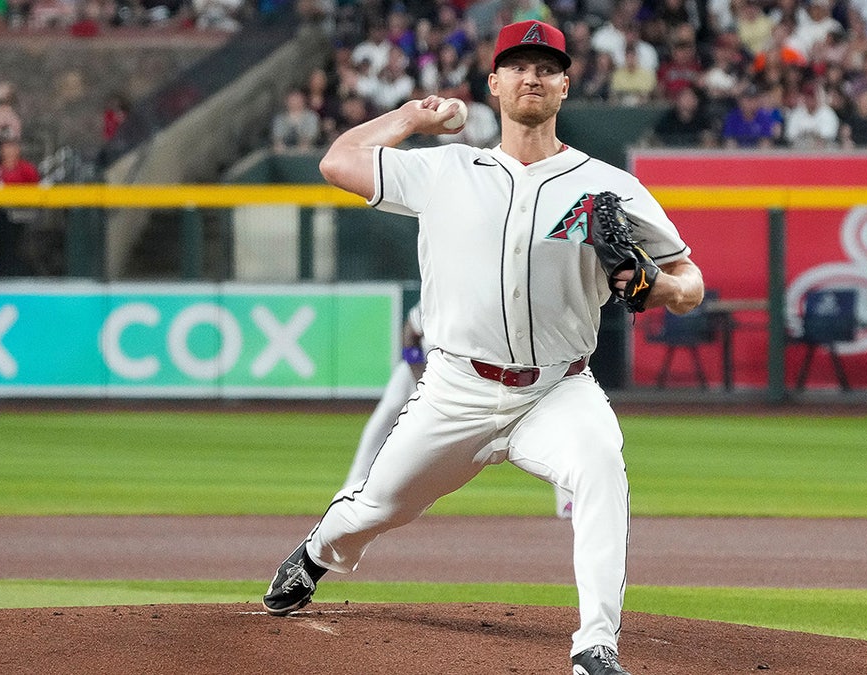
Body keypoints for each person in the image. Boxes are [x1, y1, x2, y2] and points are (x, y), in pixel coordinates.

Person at [261, 20, 704, 675]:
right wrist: (410, 117)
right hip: (455, 388)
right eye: (519, 66)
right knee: (377, 506)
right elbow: (337, 162)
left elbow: (691, 282)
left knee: (601, 463)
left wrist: (660, 283)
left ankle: (596, 645)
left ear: (565, 84)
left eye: (547, 67)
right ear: (493, 83)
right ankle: (320, 553)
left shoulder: (606, 186)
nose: (533, 77)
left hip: (558, 387)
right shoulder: (445, 169)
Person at [344, 303, 575, 517]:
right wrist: (419, 376)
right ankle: (352, 487)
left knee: (545, 419)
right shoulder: (438, 298)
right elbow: (410, 334)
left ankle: (568, 498)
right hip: (421, 368)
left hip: (468, 375)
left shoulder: (496, 308)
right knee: (385, 415)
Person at [0, 136, 40, 277]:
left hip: (23, 215)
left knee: (15, 240)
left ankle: (18, 271)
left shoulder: (27, 169)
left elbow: (36, 194)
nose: (7, 151)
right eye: (4, 148)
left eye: (10, 147)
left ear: (17, 150)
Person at [270, 88, 320, 154]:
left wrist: (303, 145)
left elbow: (311, 134)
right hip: (284, 151)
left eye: (298, 100)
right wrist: (279, 146)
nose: (295, 102)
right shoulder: (280, 118)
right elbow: (277, 136)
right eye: (292, 100)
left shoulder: (311, 116)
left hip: (307, 151)